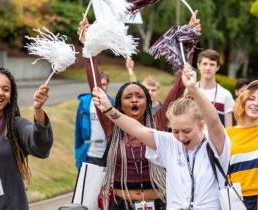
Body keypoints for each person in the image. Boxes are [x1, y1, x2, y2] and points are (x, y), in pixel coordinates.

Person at [79, 12, 201, 210]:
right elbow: (96, 86)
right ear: (119, 105)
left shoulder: (159, 121)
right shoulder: (111, 122)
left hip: (158, 203)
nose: (134, 99)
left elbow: (178, 86)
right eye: (128, 97)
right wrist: (89, 47)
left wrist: (189, 41)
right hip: (120, 204)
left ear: (147, 101)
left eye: (139, 96)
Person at [92, 63, 230, 209]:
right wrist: (108, 109)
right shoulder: (170, 143)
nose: (181, 137)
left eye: (187, 131)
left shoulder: (215, 144)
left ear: (201, 125)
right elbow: (137, 129)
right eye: (176, 131)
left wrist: (193, 89)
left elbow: (214, 121)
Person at [0, 67, 53, 210]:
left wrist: (38, 110)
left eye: (5, 89)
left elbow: (41, 147)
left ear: (10, 96)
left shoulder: (15, 126)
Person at [226, 80, 258, 210]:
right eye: (252, 99)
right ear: (244, 101)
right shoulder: (227, 134)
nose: (256, 104)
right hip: (238, 200)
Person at [74, 72, 114, 169]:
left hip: (108, 156)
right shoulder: (84, 104)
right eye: (98, 85)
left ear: (107, 85)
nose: (101, 88)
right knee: (86, 183)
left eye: (104, 84)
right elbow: (78, 130)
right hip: (88, 154)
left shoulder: (113, 103)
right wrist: (77, 153)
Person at [197, 49, 235, 127]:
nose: (208, 68)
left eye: (212, 64)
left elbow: (229, 130)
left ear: (217, 68)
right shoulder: (190, 91)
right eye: (205, 64)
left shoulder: (226, 95)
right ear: (199, 65)